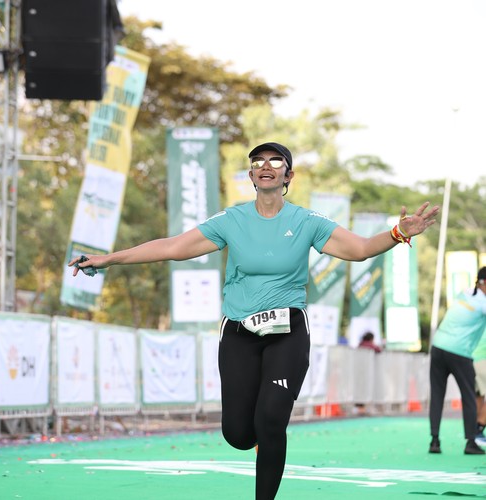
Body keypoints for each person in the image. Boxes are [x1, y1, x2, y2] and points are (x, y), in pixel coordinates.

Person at [70, 142, 439, 500]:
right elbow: (172, 247)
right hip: (239, 332)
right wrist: (108, 259)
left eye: (276, 162)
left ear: (288, 176)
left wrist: (398, 233)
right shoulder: (231, 220)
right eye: (258, 161)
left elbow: (359, 249)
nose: (266, 166)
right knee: (239, 434)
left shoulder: (307, 221)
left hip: (287, 330)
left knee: (271, 418)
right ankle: (257, 434)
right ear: (251, 175)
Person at [429, 267, 486, 455]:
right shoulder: (483, 303)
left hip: (438, 346)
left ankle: (434, 441)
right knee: (469, 396)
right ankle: (471, 442)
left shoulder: (465, 293)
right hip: (459, 352)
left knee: (437, 395)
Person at [472, 325, 486, 446]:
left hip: (471, 360)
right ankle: (478, 430)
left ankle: (474, 432)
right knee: (479, 397)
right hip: (482, 361)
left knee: (479, 397)